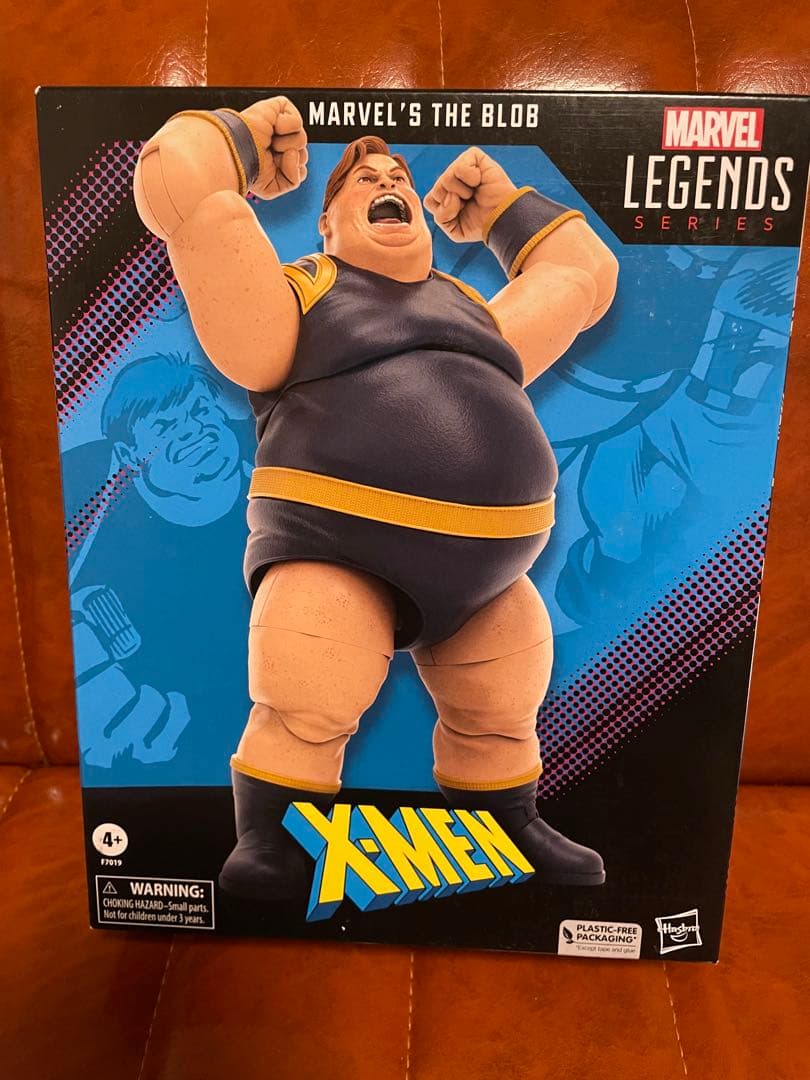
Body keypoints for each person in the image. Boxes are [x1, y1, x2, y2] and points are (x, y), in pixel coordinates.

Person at [133, 97, 619, 900]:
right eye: (365, 180)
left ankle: (507, 823)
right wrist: (242, 138)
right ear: (326, 225)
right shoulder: (306, 290)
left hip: (490, 576)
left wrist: (505, 211)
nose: (390, 182)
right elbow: (182, 189)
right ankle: (271, 839)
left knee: (500, 706)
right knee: (308, 695)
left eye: (398, 176)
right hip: (335, 549)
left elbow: (582, 277)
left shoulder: (471, 311)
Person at [66, 353, 252, 772]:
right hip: (155, 761)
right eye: (165, 427)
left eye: (200, 410)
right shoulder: (81, 497)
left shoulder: (280, 463)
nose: (194, 431)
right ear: (129, 455)